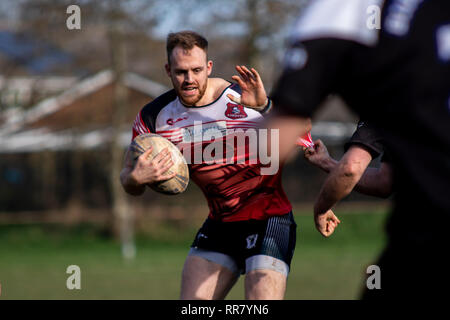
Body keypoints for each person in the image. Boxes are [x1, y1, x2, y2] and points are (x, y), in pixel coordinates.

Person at [267, 0, 450, 299]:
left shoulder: (345, 10)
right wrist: (329, 163)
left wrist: (322, 205)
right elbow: (384, 179)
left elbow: (348, 167)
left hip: (428, 245)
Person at [120, 31, 297, 300]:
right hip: (220, 224)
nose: (189, 79)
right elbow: (126, 178)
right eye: (180, 72)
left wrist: (266, 106)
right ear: (168, 70)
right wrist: (136, 178)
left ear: (209, 67)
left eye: (196, 70)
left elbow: (302, 133)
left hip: (269, 218)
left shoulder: (245, 98)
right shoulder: (153, 117)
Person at [304, 120, 393, 236]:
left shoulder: (386, 107)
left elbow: (350, 170)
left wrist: (321, 209)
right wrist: (327, 162)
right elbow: (385, 181)